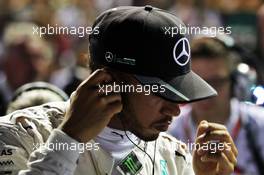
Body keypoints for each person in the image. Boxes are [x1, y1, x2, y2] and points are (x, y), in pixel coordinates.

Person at [0, 6, 237, 175]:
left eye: (178, 93)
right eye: (159, 91)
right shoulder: (17, 135)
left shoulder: (172, 155)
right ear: (107, 80)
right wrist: (69, 139)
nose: (175, 109)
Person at [168, 35, 264, 175]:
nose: (206, 93)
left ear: (235, 83)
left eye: (216, 82)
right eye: (198, 83)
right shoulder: (168, 131)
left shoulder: (260, 126)